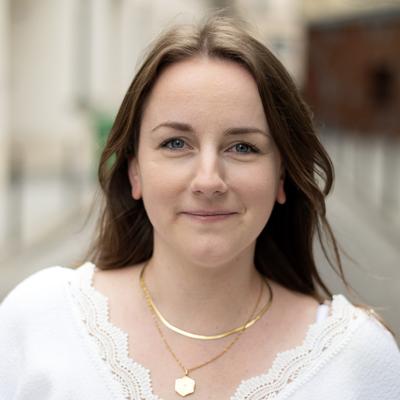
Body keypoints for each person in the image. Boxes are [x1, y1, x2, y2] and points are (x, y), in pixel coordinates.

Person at [1, 14, 399, 400]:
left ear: (281, 176)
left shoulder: (356, 360)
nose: (208, 180)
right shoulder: (40, 319)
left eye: (243, 147)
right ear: (135, 172)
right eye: (176, 143)